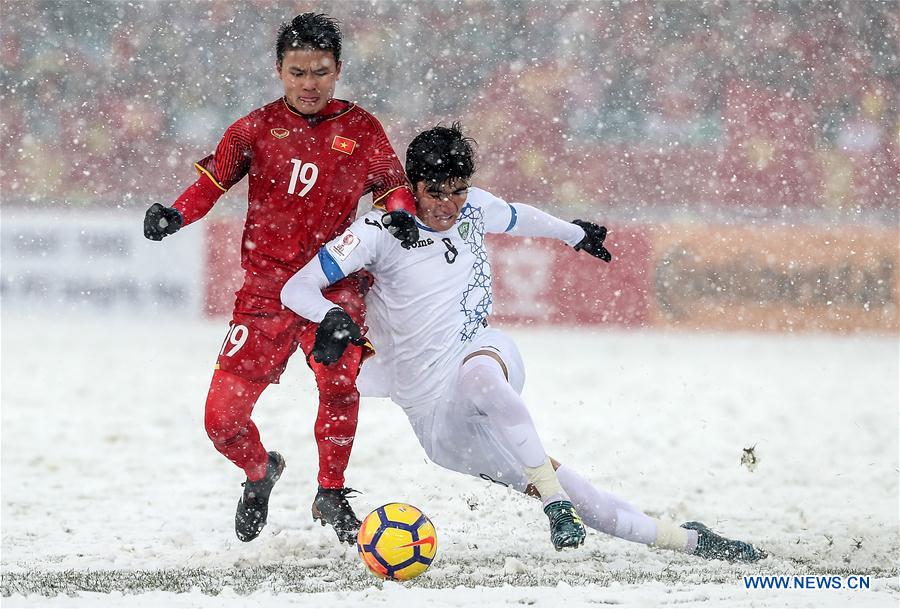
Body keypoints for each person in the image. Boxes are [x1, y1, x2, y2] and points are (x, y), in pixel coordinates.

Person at [280, 123, 766, 561]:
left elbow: (516, 216)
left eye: (459, 191)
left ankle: (554, 507)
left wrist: (574, 233)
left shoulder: (472, 209)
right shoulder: (378, 230)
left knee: (483, 378)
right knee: (589, 503)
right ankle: (691, 540)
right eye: (435, 193)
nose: (449, 205)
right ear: (411, 184)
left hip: (478, 350)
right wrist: (333, 316)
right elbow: (294, 289)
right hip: (438, 424)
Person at [142, 13, 420, 545]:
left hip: (331, 285)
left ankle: (331, 492)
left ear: (337, 70)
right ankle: (258, 470)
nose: (308, 84)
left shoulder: (362, 130)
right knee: (220, 421)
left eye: (319, 71)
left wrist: (401, 213)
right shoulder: (253, 128)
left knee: (340, 382)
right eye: (297, 73)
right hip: (264, 294)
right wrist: (175, 215)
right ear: (279, 71)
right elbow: (211, 184)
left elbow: (391, 187)